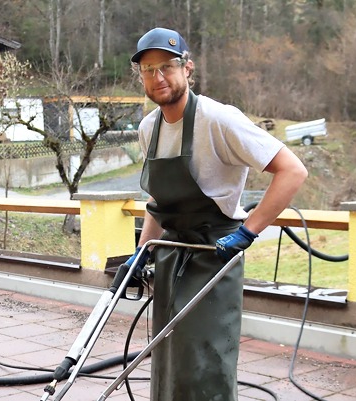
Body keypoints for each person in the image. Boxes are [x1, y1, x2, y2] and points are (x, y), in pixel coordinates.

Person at [127, 27, 308, 401]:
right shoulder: (149, 128)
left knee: (205, 358)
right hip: (169, 254)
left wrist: (248, 232)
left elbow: (292, 171)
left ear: (187, 68)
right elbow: (160, 203)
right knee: (168, 354)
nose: (158, 77)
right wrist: (143, 252)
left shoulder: (219, 119)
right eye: (148, 69)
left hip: (215, 253)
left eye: (167, 66)